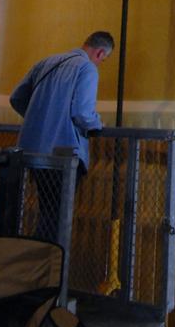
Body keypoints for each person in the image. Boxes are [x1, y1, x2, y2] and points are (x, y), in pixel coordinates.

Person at [9, 31, 115, 240]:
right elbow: (82, 114)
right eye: (104, 59)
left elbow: (16, 98)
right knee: (56, 218)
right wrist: (97, 123)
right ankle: (47, 263)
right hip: (64, 154)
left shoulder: (45, 63)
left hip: (33, 151)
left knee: (45, 210)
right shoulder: (87, 69)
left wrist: (39, 121)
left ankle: (35, 259)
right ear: (100, 53)